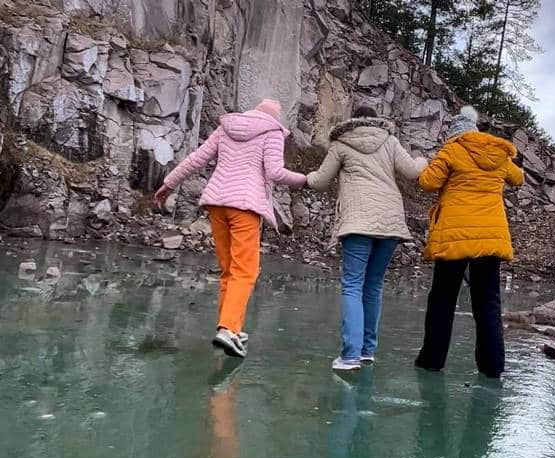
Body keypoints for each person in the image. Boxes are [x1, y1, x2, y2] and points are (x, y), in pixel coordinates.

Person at [153, 99, 306, 358]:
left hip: (217, 203)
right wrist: (306, 180)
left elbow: (196, 159)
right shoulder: (272, 131)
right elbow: (275, 172)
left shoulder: (228, 126)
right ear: (275, 118)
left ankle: (231, 328)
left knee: (229, 270)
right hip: (244, 206)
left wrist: (168, 183)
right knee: (245, 270)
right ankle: (229, 328)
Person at [307, 106, 427, 371]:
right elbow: (413, 172)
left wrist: (303, 178)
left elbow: (319, 181)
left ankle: (349, 356)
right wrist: (422, 160)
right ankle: (367, 351)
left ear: (353, 120)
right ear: (376, 119)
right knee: (373, 286)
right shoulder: (390, 141)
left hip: (358, 221)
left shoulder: (340, 144)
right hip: (389, 222)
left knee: (352, 285)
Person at [414, 105, 524, 378]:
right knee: (488, 302)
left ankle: (432, 360)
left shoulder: (451, 150)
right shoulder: (498, 154)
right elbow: (518, 178)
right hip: (489, 239)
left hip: (454, 237)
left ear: (454, 134)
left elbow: (427, 182)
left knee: (442, 299)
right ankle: (492, 366)